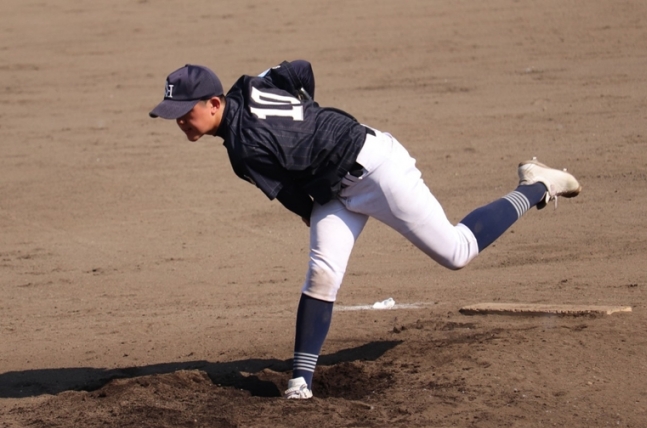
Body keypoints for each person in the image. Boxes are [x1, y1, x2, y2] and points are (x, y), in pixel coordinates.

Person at [149, 60, 581, 399]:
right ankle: (300, 382)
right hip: (335, 187)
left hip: (377, 170)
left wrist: (310, 143)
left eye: (185, 113)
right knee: (322, 274)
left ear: (213, 103)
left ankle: (536, 185)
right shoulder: (251, 83)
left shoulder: (243, 149)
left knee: (457, 252)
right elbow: (298, 70)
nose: (180, 121)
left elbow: (294, 199)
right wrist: (309, 115)